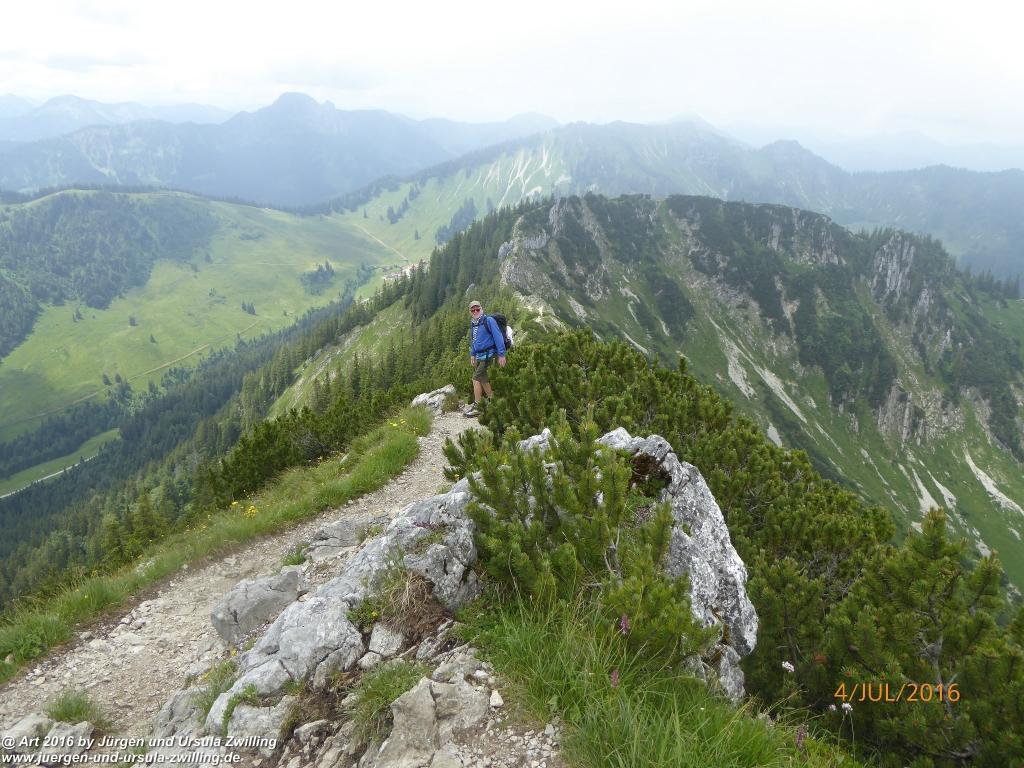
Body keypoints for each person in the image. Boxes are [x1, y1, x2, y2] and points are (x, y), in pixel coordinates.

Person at [464, 300, 506, 417]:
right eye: (473, 310)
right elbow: (474, 340)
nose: (475, 311)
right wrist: (473, 354)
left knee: (476, 379)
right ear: (470, 312)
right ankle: (492, 402)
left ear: (481, 309)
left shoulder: (489, 320)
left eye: (477, 309)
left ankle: (478, 406)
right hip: (480, 355)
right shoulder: (474, 323)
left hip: (489, 354)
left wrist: (501, 354)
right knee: (483, 379)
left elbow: (498, 336)